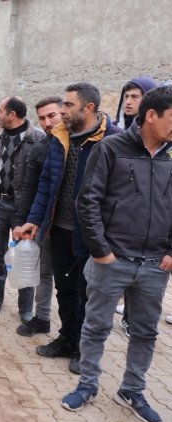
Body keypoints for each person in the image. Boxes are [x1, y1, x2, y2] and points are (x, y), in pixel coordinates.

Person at [60, 85, 172, 422]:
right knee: (96, 327)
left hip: (155, 265)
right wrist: (102, 252)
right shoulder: (111, 147)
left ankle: (132, 390)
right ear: (151, 116)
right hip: (114, 260)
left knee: (146, 332)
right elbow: (87, 201)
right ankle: (87, 384)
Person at [17, 83, 122, 374]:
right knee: (65, 288)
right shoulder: (60, 137)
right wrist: (35, 220)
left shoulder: (113, 140)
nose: (62, 110)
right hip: (59, 228)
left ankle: (84, 349)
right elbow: (46, 184)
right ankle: (67, 338)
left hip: (92, 234)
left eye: (68, 105)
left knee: (89, 292)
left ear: (89, 108)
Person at [0, 96, 45, 318]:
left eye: (0, 110)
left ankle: (25, 309)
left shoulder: (37, 140)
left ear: (12, 114)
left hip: (23, 210)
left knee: (25, 258)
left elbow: (42, 179)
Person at [111, 76, 158, 337]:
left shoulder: (162, 143)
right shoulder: (119, 136)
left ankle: (133, 317)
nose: (128, 102)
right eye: (126, 96)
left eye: (135, 97)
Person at [12, 96, 62, 336]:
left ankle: (74, 332)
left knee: (73, 283)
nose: (47, 122)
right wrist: (21, 221)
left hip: (73, 226)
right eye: (42, 118)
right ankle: (42, 318)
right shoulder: (41, 148)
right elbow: (29, 188)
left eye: (52, 115)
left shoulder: (79, 145)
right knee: (43, 273)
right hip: (43, 223)